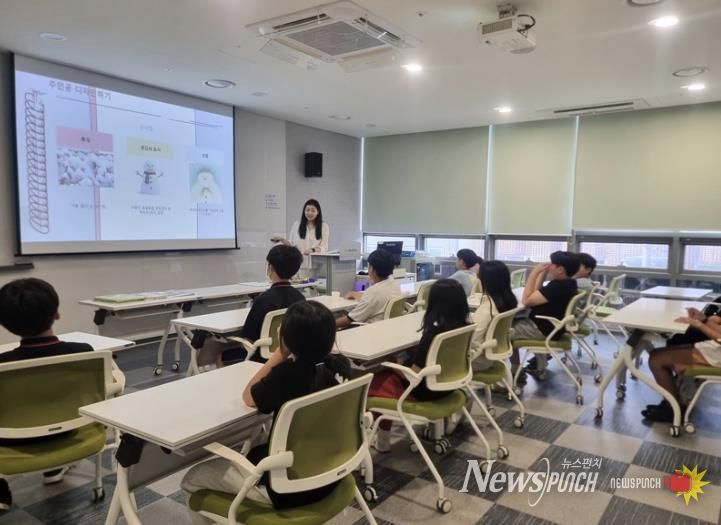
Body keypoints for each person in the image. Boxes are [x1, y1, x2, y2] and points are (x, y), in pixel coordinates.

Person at [181, 301, 351, 523]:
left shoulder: (288, 375)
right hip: (330, 473)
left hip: (287, 489)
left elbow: (248, 397)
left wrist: (280, 352)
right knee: (259, 441)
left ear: (288, 338)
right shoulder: (341, 366)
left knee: (192, 478)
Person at [0, 278, 94, 512]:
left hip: (11, 440)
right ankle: (54, 467)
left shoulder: (3, 365)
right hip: (70, 431)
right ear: (57, 314)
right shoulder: (83, 353)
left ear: (5, 324)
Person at [367, 279, 470, 451]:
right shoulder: (464, 327)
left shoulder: (434, 333)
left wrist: (391, 363)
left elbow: (413, 375)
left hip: (424, 391)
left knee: (375, 380)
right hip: (449, 385)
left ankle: (382, 441)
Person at [214, 245, 306, 365]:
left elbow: (248, 340)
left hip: (261, 359)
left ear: (270, 268)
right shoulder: (300, 298)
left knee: (220, 354)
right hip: (290, 355)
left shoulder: (263, 300)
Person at [510, 251, 580, 381]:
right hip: (551, 328)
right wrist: (542, 274)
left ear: (560, 269)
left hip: (542, 329)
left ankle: (515, 370)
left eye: (552, 264)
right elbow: (538, 293)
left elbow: (526, 300)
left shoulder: (557, 287)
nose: (549, 265)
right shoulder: (569, 284)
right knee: (511, 323)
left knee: (503, 332)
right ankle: (533, 365)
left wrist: (534, 273)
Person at [641, 309, 721, 422]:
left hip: (716, 356)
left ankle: (673, 410)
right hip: (715, 349)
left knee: (656, 360)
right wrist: (704, 320)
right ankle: (672, 404)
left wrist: (700, 324)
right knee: (658, 353)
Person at [470, 261, 519, 372]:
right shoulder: (510, 301)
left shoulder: (488, 308)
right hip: (493, 354)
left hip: (477, 360)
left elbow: (472, 339)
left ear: (484, 280)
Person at [336, 249, 401, 328]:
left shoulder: (374, 291)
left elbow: (350, 320)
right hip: (387, 327)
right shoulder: (394, 284)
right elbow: (376, 298)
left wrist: (328, 324)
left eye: (369, 265)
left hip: (368, 329)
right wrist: (356, 294)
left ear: (373, 269)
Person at [271, 199, 329, 278]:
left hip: (314, 266)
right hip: (297, 264)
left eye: (313, 210)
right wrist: (281, 239)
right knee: (297, 284)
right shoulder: (296, 224)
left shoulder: (324, 226)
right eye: (307, 210)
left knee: (311, 285)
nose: (309, 213)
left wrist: (312, 250)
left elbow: (324, 247)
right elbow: (291, 244)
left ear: (318, 212)